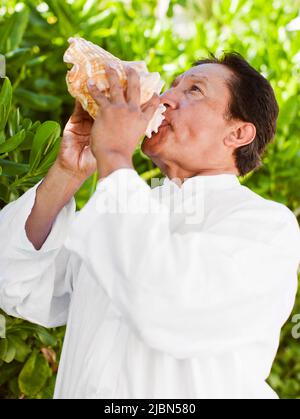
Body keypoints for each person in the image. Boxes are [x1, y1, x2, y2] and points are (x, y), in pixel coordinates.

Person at [0, 53, 299, 399]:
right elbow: (15, 281)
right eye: (171, 87)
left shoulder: (266, 228)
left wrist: (113, 153)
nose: (165, 99)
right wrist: (68, 171)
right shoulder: (126, 208)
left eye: (194, 91)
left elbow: (167, 302)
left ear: (238, 132)